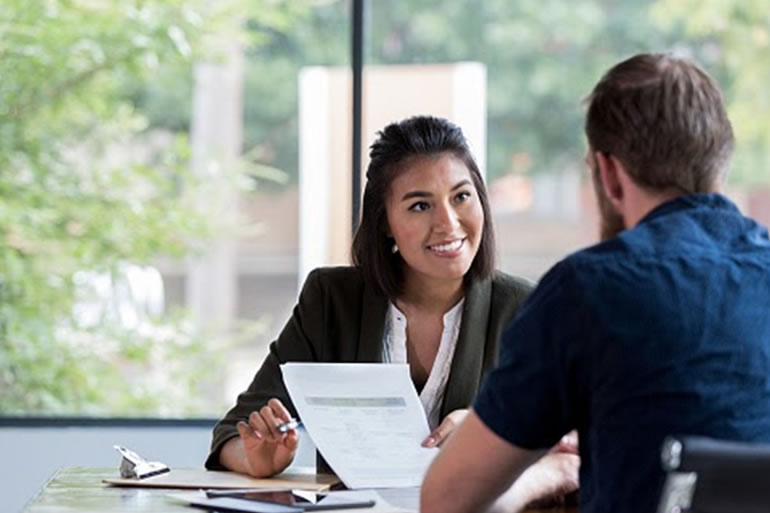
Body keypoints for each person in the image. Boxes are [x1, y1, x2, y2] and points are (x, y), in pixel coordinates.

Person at [421, 53, 770, 513]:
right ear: (720, 158)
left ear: (607, 172)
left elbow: (446, 500)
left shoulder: (588, 290)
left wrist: (547, 472)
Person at [206, 116, 576, 504]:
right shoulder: (332, 300)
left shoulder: (525, 310)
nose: (448, 223)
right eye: (420, 205)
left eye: (461, 197)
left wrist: (489, 432)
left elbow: (569, 443)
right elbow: (234, 431)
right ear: (385, 223)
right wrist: (254, 458)